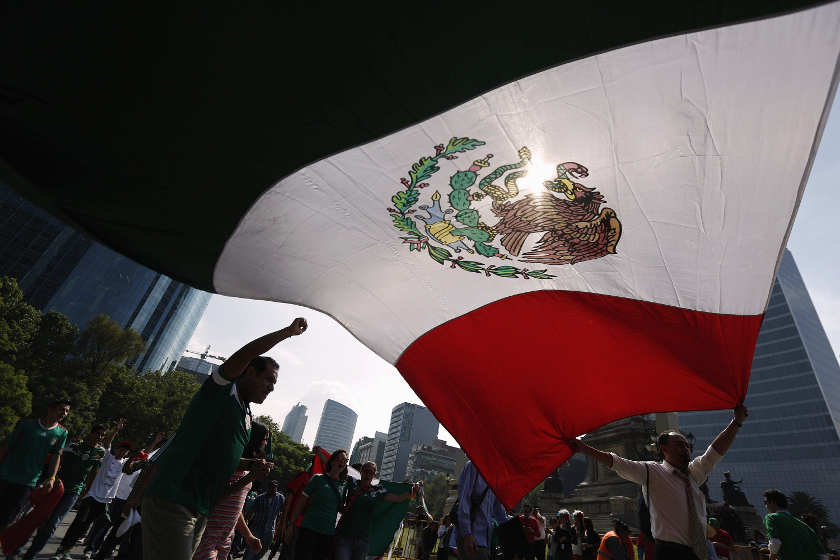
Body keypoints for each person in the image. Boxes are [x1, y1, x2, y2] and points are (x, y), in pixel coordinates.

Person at [137, 318, 307, 560]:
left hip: (202, 508)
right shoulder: (222, 389)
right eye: (268, 379)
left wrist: (251, 466)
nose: (271, 387)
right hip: (174, 498)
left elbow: (224, 459)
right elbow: (248, 352)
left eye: (275, 383)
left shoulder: (247, 415)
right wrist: (288, 332)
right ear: (249, 371)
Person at [570, 404, 748, 560]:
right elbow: (617, 463)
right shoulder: (653, 472)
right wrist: (585, 448)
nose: (686, 449)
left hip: (697, 552)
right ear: (664, 449)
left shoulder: (694, 473)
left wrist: (736, 422)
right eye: (679, 445)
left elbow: (714, 452)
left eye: (687, 445)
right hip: (670, 552)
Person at [16, 423, 108, 560]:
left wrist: (87, 489)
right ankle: (18, 547)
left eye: (102, 435)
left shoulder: (100, 452)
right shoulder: (73, 446)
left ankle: (31, 554)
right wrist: (55, 478)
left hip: (73, 491)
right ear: (91, 433)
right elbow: (56, 461)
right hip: (57, 487)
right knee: (41, 517)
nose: (99, 437)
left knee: (54, 523)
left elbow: (94, 471)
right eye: (97, 433)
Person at [50, 420, 129, 560]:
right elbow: (106, 445)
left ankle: (68, 550)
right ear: (116, 449)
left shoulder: (125, 464)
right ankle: (61, 548)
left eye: (125, 451)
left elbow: (142, 456)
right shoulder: (106, 456)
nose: (122, 452)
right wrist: (116, 431)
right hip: (92, 494)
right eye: (120, 449)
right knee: (79, 521)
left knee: (86, 525)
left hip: (105, 498)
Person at [194, 422, 272, 560]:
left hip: (225, 539)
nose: (266, 443)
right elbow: (212, 498)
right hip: (206, 534)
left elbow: (236, 508)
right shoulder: (229, 464)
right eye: (265, 438)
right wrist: (249, 478)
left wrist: (248, 535)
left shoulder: (248, 471)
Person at [0, 399, 70, 532]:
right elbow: (6, 446)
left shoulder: (61, 433)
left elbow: (56, 456)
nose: (64, 413)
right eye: (62, 409)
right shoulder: (27, 425)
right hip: (5, 475)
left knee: (7, 518)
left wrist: (51, 478)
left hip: (27, 481)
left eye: (67, 411)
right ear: (50, 409)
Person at [334, 461, 420, 560]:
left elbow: (398, 498)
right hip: (345, 537)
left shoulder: (378, 490)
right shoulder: (352, 482)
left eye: (370, 473)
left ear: (374, 475)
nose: (367, 474)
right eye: (365, 471)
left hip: (363, 540)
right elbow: (335, 470)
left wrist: (414, 489)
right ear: (361, 472)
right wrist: (321, 454)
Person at [283, 448, 349, 560]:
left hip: (328, 533)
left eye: (345, 460)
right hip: (309, 528)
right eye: (339, 458)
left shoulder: (344, 485)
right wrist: (291, 524)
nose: (342, 461)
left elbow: (341, 508)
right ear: (331, 462)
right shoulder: (317, 479)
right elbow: (301, 502)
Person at [279, 447, 328, 560]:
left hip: (308, 527)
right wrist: (283, 522)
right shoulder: (303, 476)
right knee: (289, 556)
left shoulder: (322, 484)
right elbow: (289, 498)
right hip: (294, 524)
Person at [454, 461, 507, 560]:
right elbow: (464, 500)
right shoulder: (473, 466)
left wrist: (516, 539)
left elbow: (500, 514)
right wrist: (467, 534)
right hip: (472, 537)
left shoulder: (496, 477)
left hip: (486, 541)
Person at [761, 489, 828, 560]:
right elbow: (822, 555)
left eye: (765, 503)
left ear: (771, 502)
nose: (766, 506)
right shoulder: (804, 525)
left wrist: (772, 554)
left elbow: (775, 541)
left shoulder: (772, 518)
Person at [245, 481, 285, 560]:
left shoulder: (280, 498)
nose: (271, 489)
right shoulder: (260, 498)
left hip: (269, 529)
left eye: (273, 487)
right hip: (257, 528)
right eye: (269, 486)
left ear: (276, 488)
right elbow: (251, 510)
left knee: (264, 550)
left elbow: (282, 513)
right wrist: (246, 523)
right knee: (250, 549)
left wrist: (281, 525)